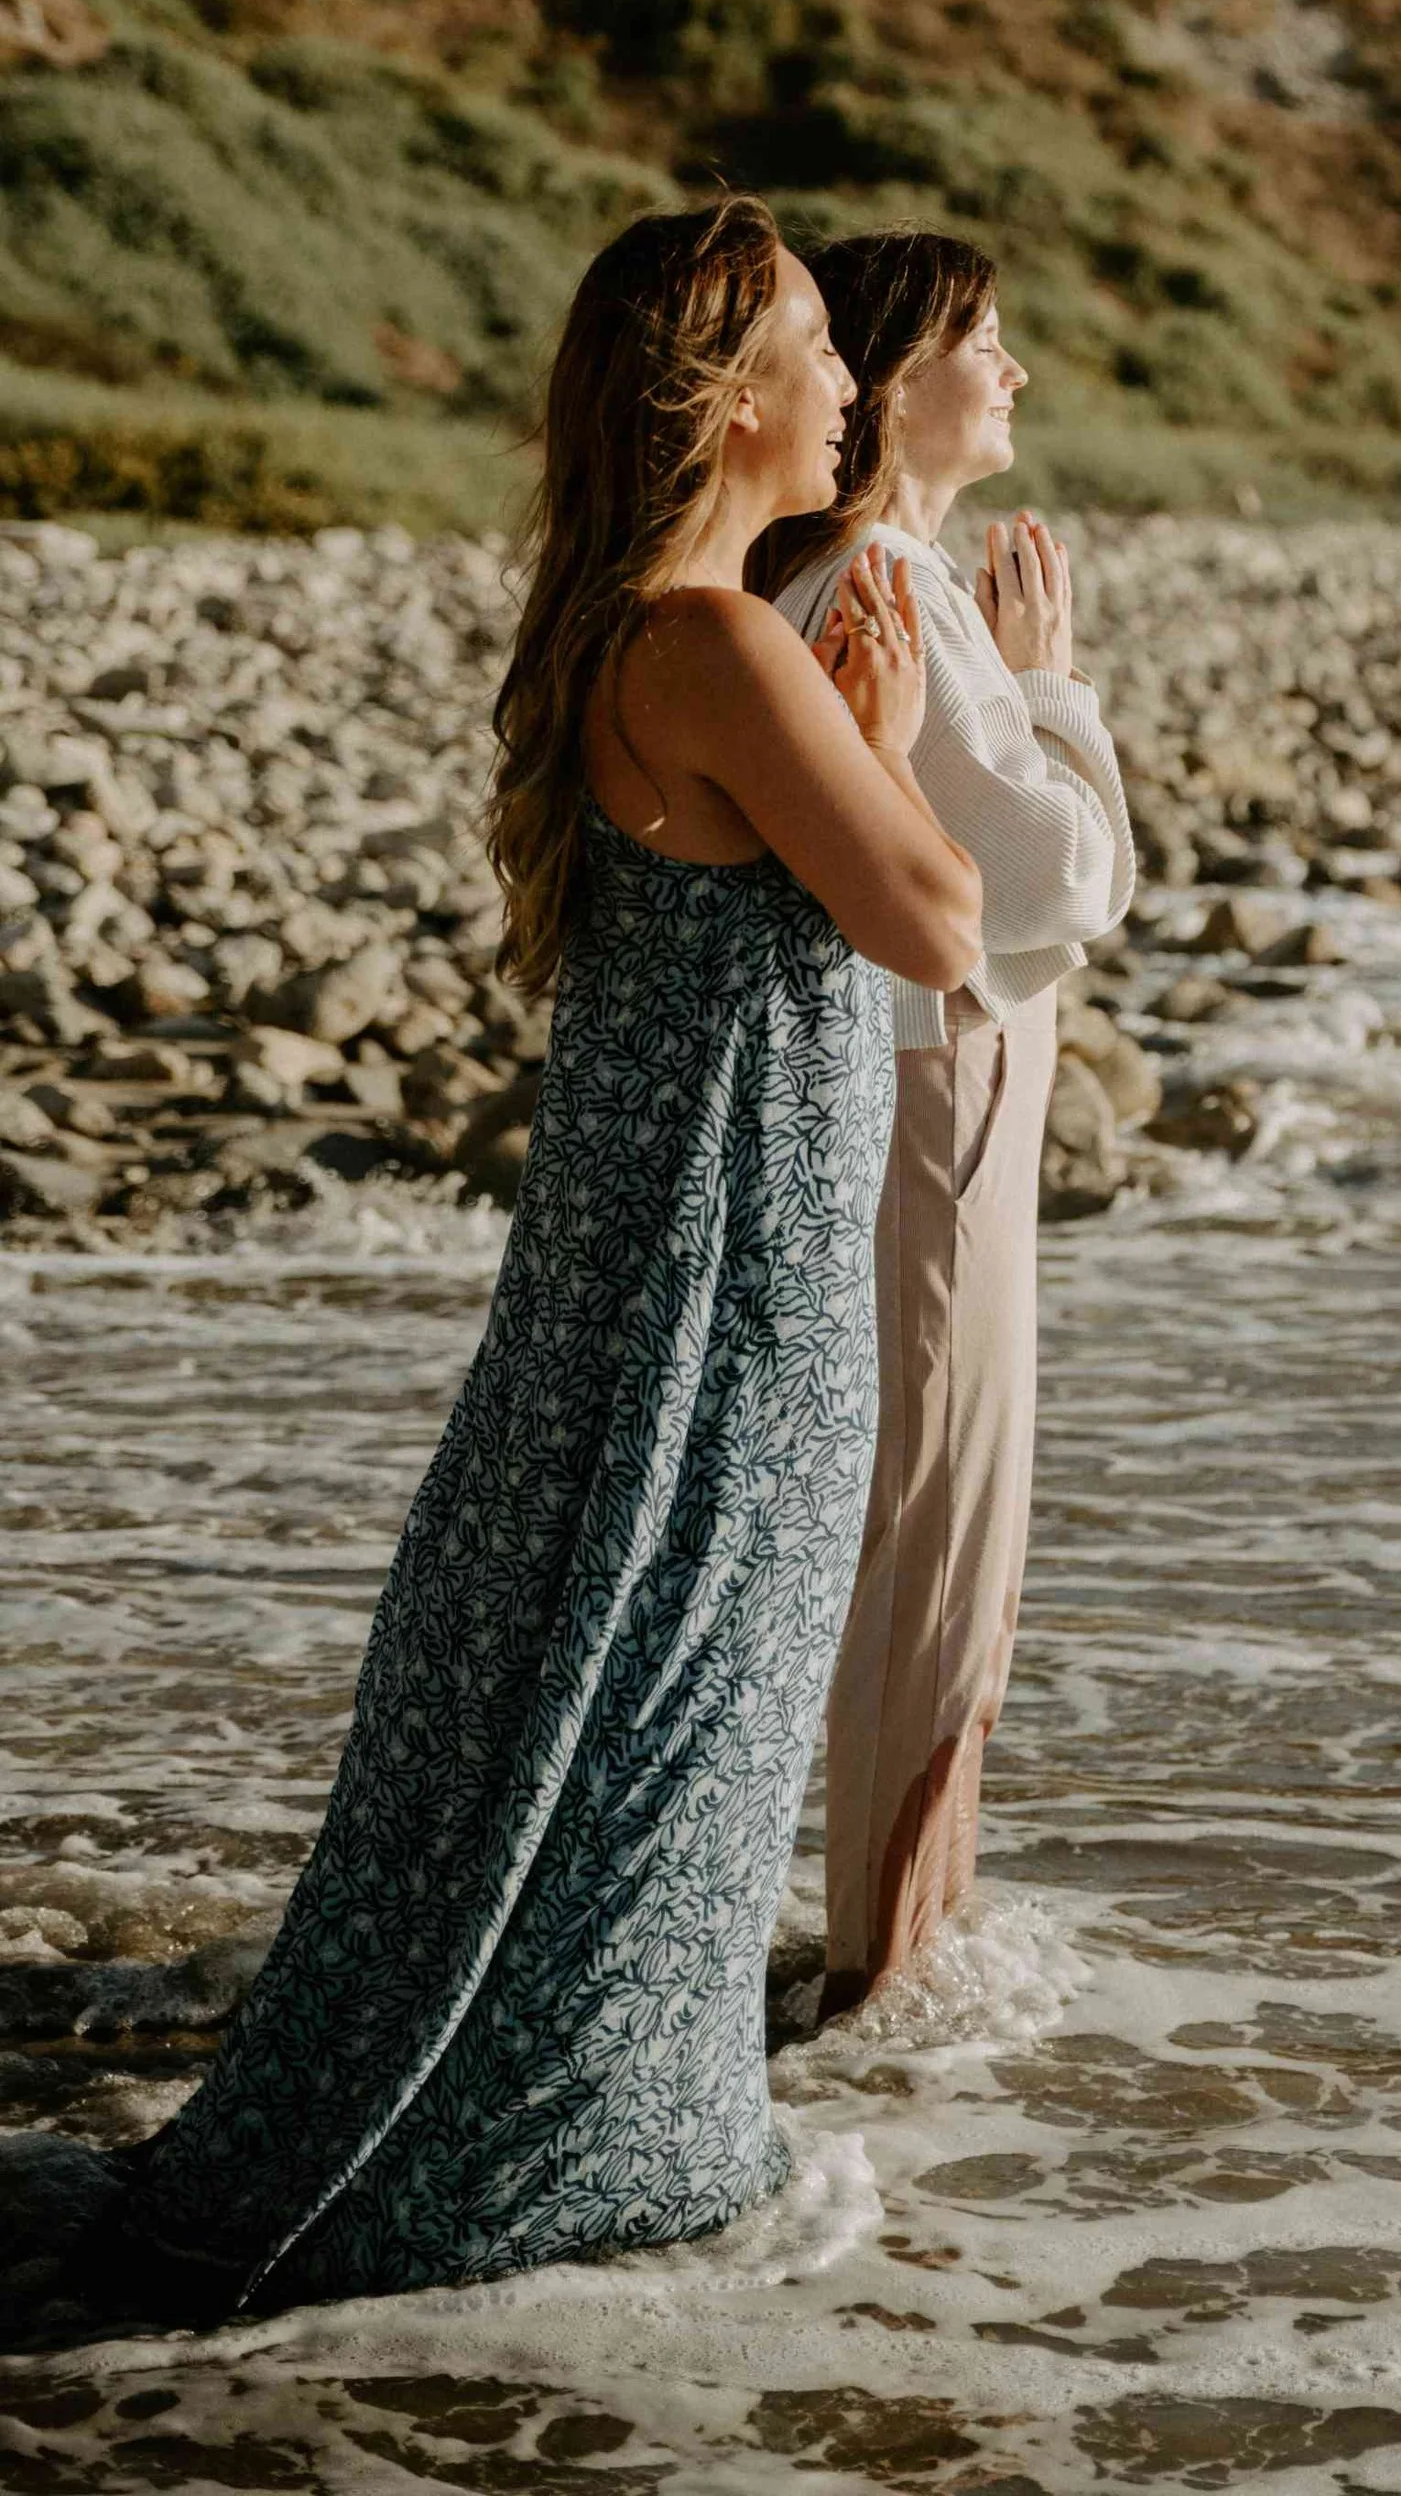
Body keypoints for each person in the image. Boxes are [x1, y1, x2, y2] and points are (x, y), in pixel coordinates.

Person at [106, 198, 981, 2318]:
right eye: (812, 344)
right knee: (682, 1677)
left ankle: (561, 2109)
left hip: (648, 1249)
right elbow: (938, 924)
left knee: (604, 1669)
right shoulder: (714, 641)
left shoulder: (648, 625)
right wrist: (882, 739)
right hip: (720, 1270)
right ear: (731, 397)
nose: (852, 379)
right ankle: (577, 2153)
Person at [759, 231, 1133, 2013]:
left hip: (942, 1075)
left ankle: (902, 1934)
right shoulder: (886, 580)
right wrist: (1052, 687)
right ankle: (884, 1973)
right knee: (943, 1516)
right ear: (897, 379)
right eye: (987, 339)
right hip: (944, 1079)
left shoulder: (869, 573)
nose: (1018, 371)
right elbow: (1063, 871)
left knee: (939, 1512)